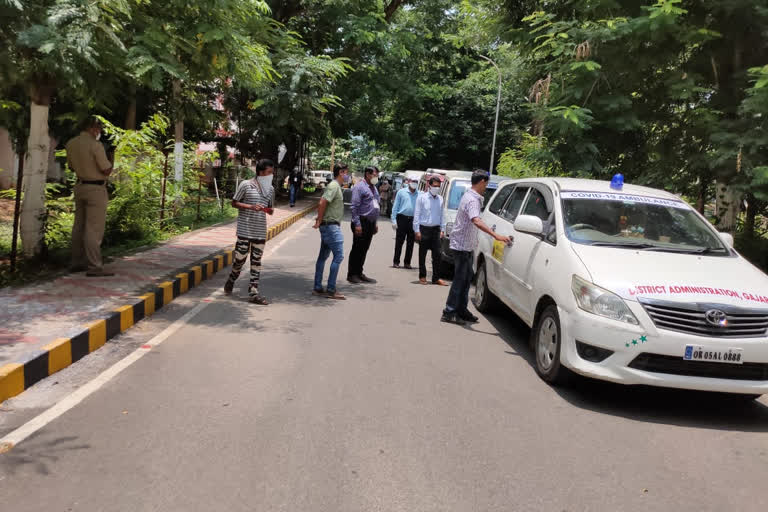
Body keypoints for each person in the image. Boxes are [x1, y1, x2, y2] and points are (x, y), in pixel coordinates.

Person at [442, 170, 512, 325]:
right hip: (461, 246)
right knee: (460, 280)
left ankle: (461, 309)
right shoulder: (472, 200)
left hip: (466, 245)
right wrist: (496, 236)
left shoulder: (471, 197)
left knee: (466, 279)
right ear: (481, 182)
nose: (486, 187)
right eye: (486, 183)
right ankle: (449, 311)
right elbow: (476, 221)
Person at [67, 116, 114, 277]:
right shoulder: (95, 145)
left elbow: (71, 167)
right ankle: (94, 266)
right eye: (99, 129)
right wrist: (111, 159)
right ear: (93, 128)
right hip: (96, 188)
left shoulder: (71, 144)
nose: (99, 132)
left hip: (80, 186)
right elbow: (106, 169)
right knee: (93, 229)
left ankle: (76, 261)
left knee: (78, 226)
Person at [224, 159, 275, 305]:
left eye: (272, 173)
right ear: (260, 172)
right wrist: (251, 207)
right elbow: (234, 203)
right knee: (239, 259)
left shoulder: (270, 189)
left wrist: (268, 210)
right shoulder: (246, 185)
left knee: (256, 262)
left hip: (260, 231)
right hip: (245, 230)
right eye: (269, 172)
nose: (271, 175)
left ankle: (253, 292)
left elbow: (271, 210)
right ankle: (232, 279)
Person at [313, 163, 349, 300]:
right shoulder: (334, 186)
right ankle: (331, 289)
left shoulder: (336, 186)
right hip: (331, 226)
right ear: (341, 172)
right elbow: (322, 202)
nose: (347, 175)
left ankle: (318, 287)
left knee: (323, 257)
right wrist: (319, 221)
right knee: (338, 256)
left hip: (329, 226)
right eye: (346, 172)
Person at [347, 166, 380, 284]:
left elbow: (375, 205)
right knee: (357, 248)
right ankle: (352, 274)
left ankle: (359, 272)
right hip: (361, 222)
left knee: (364, 249)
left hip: (370, 223)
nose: (376, 177)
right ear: (367, 174)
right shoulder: (359, 187)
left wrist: (375, 222)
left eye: (377, 175)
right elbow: (354, 207)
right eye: (374, 175)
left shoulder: (374, 188)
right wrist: (357, 224)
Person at [414, 176, 448, 286]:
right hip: (424, 229)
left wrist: (442, 229)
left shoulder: (441, 199)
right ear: (429, 185)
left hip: (436, 230)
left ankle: (436, 278)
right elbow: (417, 214)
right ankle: (422, 276)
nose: (436, 188)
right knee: (422, 254)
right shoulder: (422, 198)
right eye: (434, 186)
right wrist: (417, 230)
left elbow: (442, 215)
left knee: (437, 255)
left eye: (438, 186)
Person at [390, 178, 418, 269]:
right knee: (399, 241)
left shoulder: (420, 194)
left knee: (411, 242)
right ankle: (396, 261)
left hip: (413, 220)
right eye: (413, 182)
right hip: (402, 218)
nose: (414, 184)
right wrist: (394, 220)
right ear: (409, 182)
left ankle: (407, 262)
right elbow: (395, 206)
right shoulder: (401, 192)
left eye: (416, 182)